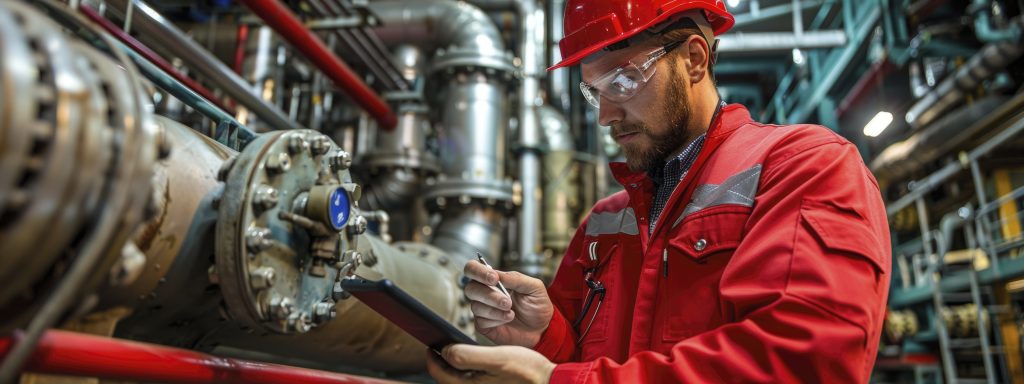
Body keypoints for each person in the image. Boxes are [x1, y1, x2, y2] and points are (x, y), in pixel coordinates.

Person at [426, 0, 891, 382]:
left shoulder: (804, 166)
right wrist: (543, 336)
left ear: (694, 59)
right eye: (594, 92)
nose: (605, 115)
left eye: (623, 81)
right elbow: (580, 360)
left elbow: (802, 364)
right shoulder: (604, 224)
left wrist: (554, 382)